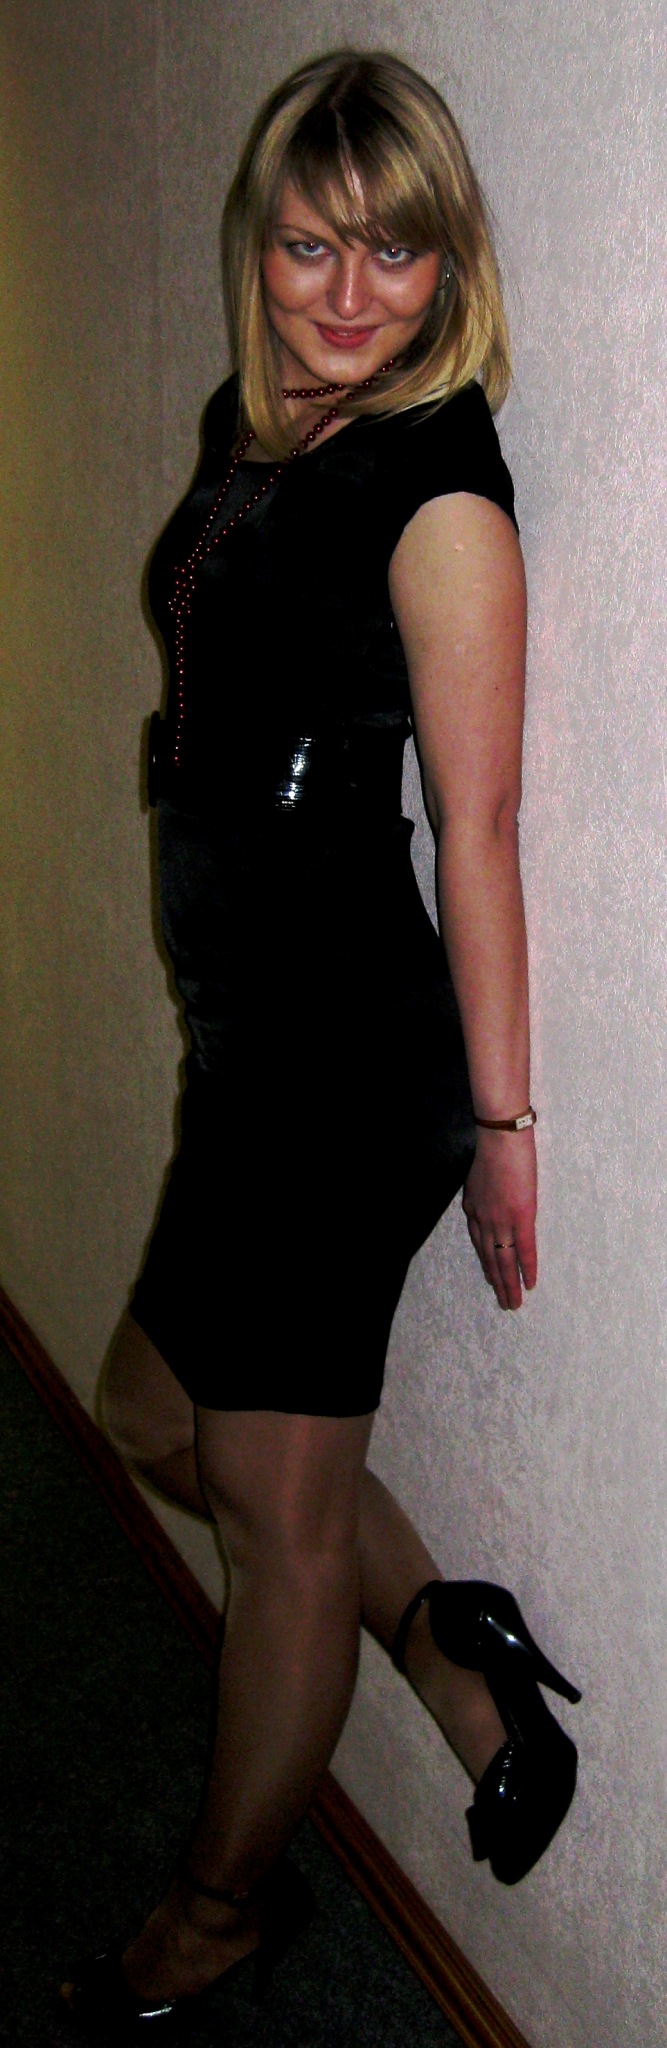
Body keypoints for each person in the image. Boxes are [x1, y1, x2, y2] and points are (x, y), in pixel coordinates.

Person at [62, 48, 580, 2036]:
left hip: (347, 1073)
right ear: (255, 247)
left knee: (275, 1520)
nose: (348, 295)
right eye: (307, 245)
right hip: (247, 1046)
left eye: (395, 250)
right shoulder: (260, 426)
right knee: (155, 1418)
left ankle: (216, 1915)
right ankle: (450, 1646)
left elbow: (480, 828)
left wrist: (506, 1127)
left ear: (451, 262)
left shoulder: (436, 489)